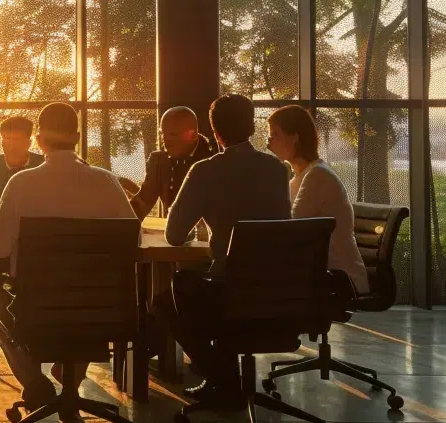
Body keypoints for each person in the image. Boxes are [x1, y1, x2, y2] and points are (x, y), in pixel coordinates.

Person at [0, 102, 136, 409]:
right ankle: (71, 377)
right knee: (83, 295)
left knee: (2, 305)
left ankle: (36, 384)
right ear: (78, 137)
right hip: (95, 310)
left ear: (39, 141)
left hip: (38, 307)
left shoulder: (21, 184)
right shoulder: (107, 182)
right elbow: (129, 241)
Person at [154, 94, 291, 400]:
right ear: (252, 127)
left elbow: (175, 235)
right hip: (278, 292)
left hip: (227, 292)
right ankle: (224, 374)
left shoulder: (205, 171)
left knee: (168, 298)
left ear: (215, 133)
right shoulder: (277, 170)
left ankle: (220, 373)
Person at [267, 105, 369, 295]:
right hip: (319, 273)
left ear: (294, 137)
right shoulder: (299, 178)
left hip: (339, 278)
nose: (269, 142)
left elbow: (290, 227)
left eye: (275, 134)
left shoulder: (318, 176)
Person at [124, 106, 215, 219]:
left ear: (192, 135)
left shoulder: (215, 159)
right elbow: (143, 203)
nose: (166, 140)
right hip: (174, 233)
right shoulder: (159, 162)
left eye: (173, 134)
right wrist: (117, 220)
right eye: (163, 133)